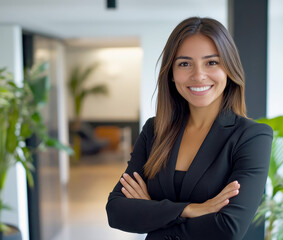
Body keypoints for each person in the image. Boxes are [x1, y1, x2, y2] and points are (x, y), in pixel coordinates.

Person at [106, 16, 273, 240]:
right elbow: (116, 211)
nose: (198, 75)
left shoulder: (251, 137)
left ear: (229, 69)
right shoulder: (155, 130)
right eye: (184, 63)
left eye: (211, 62)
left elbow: (227, 228)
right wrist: (191, 209)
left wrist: (153, 214)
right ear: (172, 74)